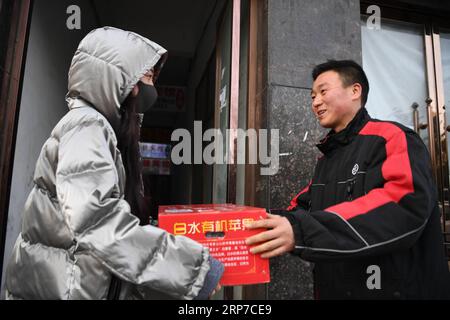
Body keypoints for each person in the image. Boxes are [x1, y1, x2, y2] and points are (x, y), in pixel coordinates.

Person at [5, 27, 223, 300]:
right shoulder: (87, 125)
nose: (150, 85)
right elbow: (98, 221)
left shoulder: (101, 131)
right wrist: (193, 270)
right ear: (119, 77)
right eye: (146, 74)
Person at [245, 59, 450, 299]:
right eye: (312, 96)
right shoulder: (328, 158)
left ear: (355, 91)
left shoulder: (392, 137)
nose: (316, 102)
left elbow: (404, 204)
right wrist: (247, 223)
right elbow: (301, 209)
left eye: (323, 91)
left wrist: (301, 231)